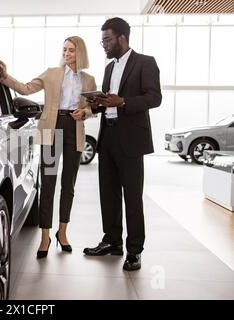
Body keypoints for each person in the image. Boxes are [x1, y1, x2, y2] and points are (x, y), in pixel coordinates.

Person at [0, 36, 97, 259]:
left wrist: (85, 113)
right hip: (52, 129)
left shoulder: (89, 79)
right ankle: (45, 237)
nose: (66, 53)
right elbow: (25, 88)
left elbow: (92, 107)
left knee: (68, 184)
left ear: (80, 53)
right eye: (64, 49)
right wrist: (5, 77)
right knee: (48, 183)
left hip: (75, 129)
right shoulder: (51, 73)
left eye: (71, 50)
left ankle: (63, 233)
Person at [83, 17, 162, 271]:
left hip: (131, 138)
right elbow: (108, 102)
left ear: (122, 38)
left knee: (133, 197)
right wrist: (97, 104)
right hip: (108, 137)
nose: (103, 44)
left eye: (107, 39)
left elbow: (154, 97)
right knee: (108, 193)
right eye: (102, 40)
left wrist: (124, 102)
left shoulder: (145, 63)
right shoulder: (108, 68)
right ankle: (112, 242)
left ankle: (135, 250)